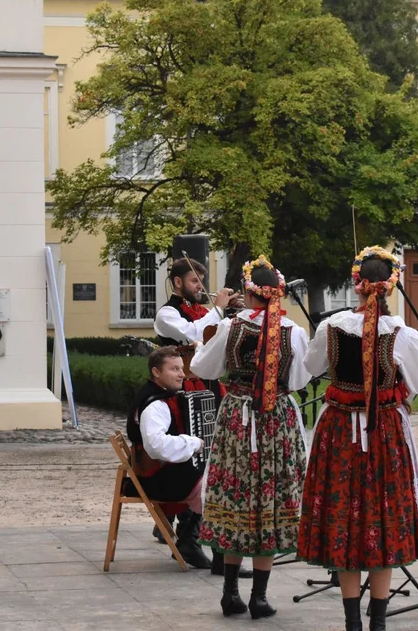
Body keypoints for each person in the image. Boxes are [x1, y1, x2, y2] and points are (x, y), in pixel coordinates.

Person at [296, 246, 418, 631]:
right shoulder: (401, 334)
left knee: (344, 517)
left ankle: (352, 621)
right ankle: (378, 622)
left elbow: (311, 366)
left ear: (356, 285)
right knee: (382, 516)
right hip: (384, 431)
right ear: (390, 287)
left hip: (339, 428)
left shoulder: (331, 327)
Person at [191, 255, 312, 619]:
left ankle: (230, 593)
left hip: (238, 419)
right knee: (270, 506)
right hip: (278, 420)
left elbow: (202, 367)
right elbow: (302, 379)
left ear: (247, 290)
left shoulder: (231, 328)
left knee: (236, 501)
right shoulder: (293, 332)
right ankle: (259, 597)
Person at [153, 257, 252, 578]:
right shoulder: (167, 314)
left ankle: (193, 535)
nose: (200, 287)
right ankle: (187, 537)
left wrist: (238, 312)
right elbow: (192, 333)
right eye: (195, 282)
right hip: (181, 396)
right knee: (192, 459)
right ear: (178, 282)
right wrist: (219, 309)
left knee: (213, 457)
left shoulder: (207, 311)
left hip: (209, 388)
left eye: (201, 281)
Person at [126, 346, 213, 569]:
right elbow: (156, 446)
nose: (182, 374)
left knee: (212, 473)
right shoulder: (154, 404)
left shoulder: (161, 396)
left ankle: (188, 540)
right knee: (217, 485)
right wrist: (193, 443)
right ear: (156, 372)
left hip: (163, 473)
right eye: (174, 369)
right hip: (155, 479)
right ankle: (198, 546)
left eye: (181, 368)